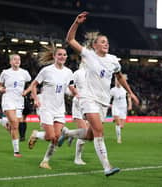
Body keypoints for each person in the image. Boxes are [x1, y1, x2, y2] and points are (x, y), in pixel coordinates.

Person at [62, 12, 140, 177]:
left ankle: (67, 133)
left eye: (107, 42)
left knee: (90, 135)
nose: (106, 44)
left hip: (104, 102)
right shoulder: (88, 55)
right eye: (102, 42)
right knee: (99, 131)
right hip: (88, 99)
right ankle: (107, 167)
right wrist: (76, 23)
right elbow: (70, 40)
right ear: (95, 45)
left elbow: (119, 77)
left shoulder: (113, 60)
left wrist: (131, 93)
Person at [27, 44, 77, 169]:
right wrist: (36, 99)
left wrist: (79, 95)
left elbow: (71, 88)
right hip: (47, 108)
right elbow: (33, 85)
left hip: (60, 109)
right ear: (54, 56)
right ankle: (37, 134)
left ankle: (45, 161)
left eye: (64, 55)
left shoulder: (68, 72)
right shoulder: (46, 70)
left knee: (56, 138)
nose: (62, 57)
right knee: (50, 137)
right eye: (59, 54)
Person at [0, 54, 31, 157]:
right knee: (15, 124)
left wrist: (26, 91)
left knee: (15, 125)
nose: (17, 61)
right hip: (8, 100)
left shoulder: (25, 73)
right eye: (14, 59)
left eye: (19, 59)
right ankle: (16, 151)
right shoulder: (5, 73)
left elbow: (31, 84)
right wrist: (1, 89)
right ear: (10, 62)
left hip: (19, 101)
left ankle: (2, 121)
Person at [110, 76, 132, 144]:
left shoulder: (125, 89)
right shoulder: (113, 90)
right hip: (115, 107)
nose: (117, 82)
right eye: (116, 80)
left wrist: (130, 105)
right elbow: (109, 98)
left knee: (121, 126)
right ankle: (119, 139)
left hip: (123, 107)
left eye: (118, 80)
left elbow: (129, 97)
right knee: (118, 124)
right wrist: (108, 105)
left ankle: (116, 119)